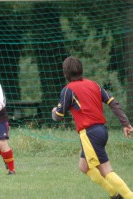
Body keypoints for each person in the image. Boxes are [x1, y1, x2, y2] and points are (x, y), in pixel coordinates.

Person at [52, 57, 133, 199]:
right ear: (81, 69)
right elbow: (112, 102)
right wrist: (125, 123)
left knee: (106, 170)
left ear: (65, 73)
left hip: (89, 134)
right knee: (84, 166)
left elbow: (58, 116)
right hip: (101, 131)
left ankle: (128, 196)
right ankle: (114, 194)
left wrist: (54, 111)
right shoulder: (94, 85)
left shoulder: (68, 90)